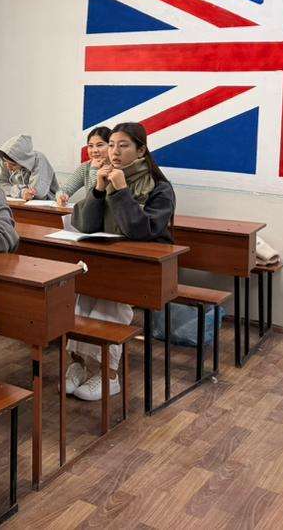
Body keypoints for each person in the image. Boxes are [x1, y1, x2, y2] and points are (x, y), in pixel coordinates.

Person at [65, 122, 176, 402]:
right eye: (112, 144)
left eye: (123, 145)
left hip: (139, 267)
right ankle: (78, 363)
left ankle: (109, 375)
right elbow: (84, 225)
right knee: (81, 302)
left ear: (140, 150)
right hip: (104, 259)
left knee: (109, 306)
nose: (114, 151)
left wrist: (121, 190)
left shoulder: (160, 188)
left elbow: (141, 231)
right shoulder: (105, 176)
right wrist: (98, 190)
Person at [56, 126, 112, 207]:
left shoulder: (117, 167)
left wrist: (94, 169)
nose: (94, 150)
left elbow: (99, 198)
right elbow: (64, 189)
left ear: (111, 146)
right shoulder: (86, 167)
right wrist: (62, 196)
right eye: (90, 146)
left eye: (100, 145)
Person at [0, 134, 60, 200]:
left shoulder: (39, 159)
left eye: (13, 165)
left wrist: (13, 190)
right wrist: (21, 192)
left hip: (47, 203)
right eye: (6, 163)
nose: (8, 167)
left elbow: (37, 193)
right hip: (18, 202)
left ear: (23, 161)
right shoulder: (4, 159)